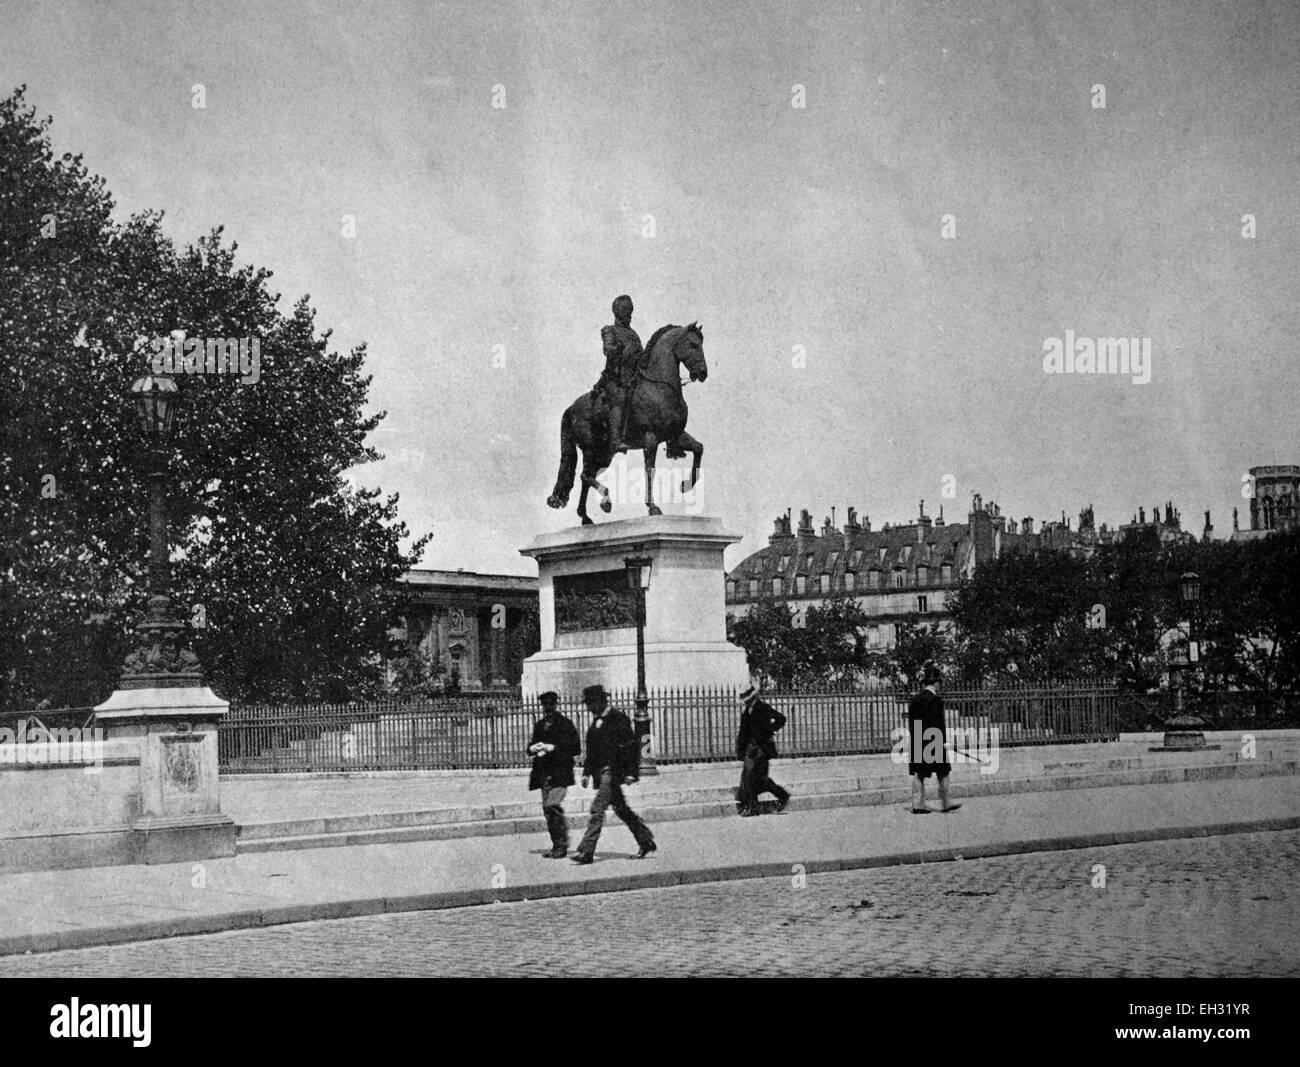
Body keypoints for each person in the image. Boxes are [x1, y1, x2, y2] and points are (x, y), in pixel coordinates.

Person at [571, 684, 656, 863]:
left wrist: (632, 772)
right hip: (601, 772)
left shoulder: (618, 718)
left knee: (597, 809)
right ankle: (645, 840)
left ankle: (587, 851)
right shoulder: (597, 720)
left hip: (612, 772)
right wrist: (586, 773)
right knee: (622, 810)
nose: (588, 707)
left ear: (600, 702)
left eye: (590, 703)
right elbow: (592, 751)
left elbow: (632, 748)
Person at [527, 691, 582, 858]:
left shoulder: (565, 724)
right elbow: (532, 744)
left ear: (556, 704)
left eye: (551, 704)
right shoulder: (540, 725)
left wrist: (553, 748)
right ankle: (557, 845)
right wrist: (532, 748)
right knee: (547, 810)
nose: (548, 707)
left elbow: (575, 748)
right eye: (545, 705)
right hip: (543, 773)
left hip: (560, 772)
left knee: (552, 805)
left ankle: (562, 844)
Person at [592, 294, 642, 453]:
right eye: (627, 310)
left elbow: (641, 356)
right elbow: (608, 349)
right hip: (615, 379)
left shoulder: (633, 334)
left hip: (633, 379)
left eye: (630, 311)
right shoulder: (609, 330)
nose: (630, 314)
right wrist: (619, 349)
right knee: (620, 399)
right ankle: (616, 440)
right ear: (618, 312)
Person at [907, 665, 960, 814]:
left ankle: (917, 805)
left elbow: (912, 722)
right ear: (936, 683)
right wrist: (943, 740)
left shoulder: (915, 699)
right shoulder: (936, 700)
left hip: (918, 738)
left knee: (919, 773)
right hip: (934, 739)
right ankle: (946, 801)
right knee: (943, 771)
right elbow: (938, 722)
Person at [735, 683, 791, 816]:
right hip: (752, 750)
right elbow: (743, 732)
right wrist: (741, 750)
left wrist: (770, 730)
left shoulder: (762, 707)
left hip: (763, 749)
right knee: (750, 778)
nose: (746, 700)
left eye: (747, 698)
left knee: (757, 778)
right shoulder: (747, 712)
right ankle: (754, 806)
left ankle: (781, 796)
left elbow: (781, 718)